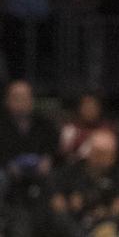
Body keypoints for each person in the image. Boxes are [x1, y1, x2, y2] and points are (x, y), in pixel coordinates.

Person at [47, 129, 119, 237]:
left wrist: (107, 212)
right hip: (75, 221)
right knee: (57, 214)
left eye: (108, 154)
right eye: (98, 153)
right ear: (90, 152)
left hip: (104, 221)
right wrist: (63, 201)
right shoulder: (72, 170)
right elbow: (55, 193)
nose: (102, 158)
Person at [0, 79, 59, 237]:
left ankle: (59, 222)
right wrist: (7, 164)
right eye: (16, 97)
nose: (21, 102)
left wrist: (47, 159)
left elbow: (53, 146)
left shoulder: (44, 122)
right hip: (9, 171)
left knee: (56, 178)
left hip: (39, 169)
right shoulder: (2, 123)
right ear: (7, 100)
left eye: (25, 97)